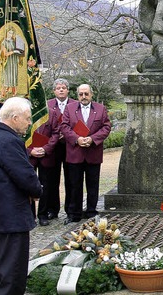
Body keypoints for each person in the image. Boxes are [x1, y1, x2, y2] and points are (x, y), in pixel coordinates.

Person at [0, 97, 43, 295]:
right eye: (27, 118)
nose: (29, 122)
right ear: (14, 118)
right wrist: (37, 190)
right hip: (9, 218)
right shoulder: (8, 141)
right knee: (11, 276)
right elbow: (25, 176)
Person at [60, 84, 111, 224]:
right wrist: (77, 139)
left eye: (86, 94)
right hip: (75, 153)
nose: (83, 97)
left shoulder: (100, 109)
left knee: (92, 185)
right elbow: (64, 126)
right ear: (77, 95)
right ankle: (74, 213)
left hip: (93, 153)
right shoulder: (69, 109)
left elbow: (106, 127)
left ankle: (91, 211)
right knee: (74, 185)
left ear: (91, 94)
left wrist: (92, 139)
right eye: (81, 94)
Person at [29, 78, 75, 225]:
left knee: (70, 180)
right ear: (53, 91)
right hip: (50, 149)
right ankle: (51, 209)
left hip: (69, 146)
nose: (61, 90)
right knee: (51, 181)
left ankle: (70, 209)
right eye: (58, 88)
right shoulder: (47, 106)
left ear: (68, 90)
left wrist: (67, 134)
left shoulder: (75, 105)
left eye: (63, 87)